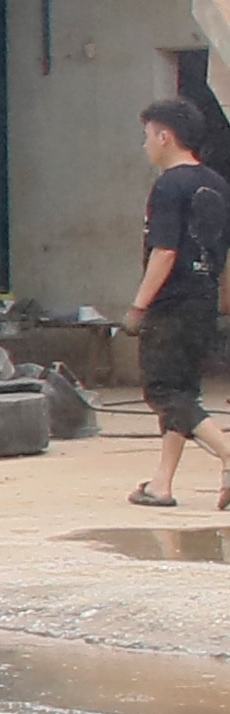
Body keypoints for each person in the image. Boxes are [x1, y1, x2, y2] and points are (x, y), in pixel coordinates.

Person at [123, 97, 230, 506]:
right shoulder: (217, 184)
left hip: (172, 306)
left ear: (165, 137)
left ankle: (226, 453)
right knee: (184, 393)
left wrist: (138, 306)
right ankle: (161, 484)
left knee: (164, 392)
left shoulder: (169, 185)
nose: (145, 145)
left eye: (148, 136)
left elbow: (164, 252)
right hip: (202, 303)